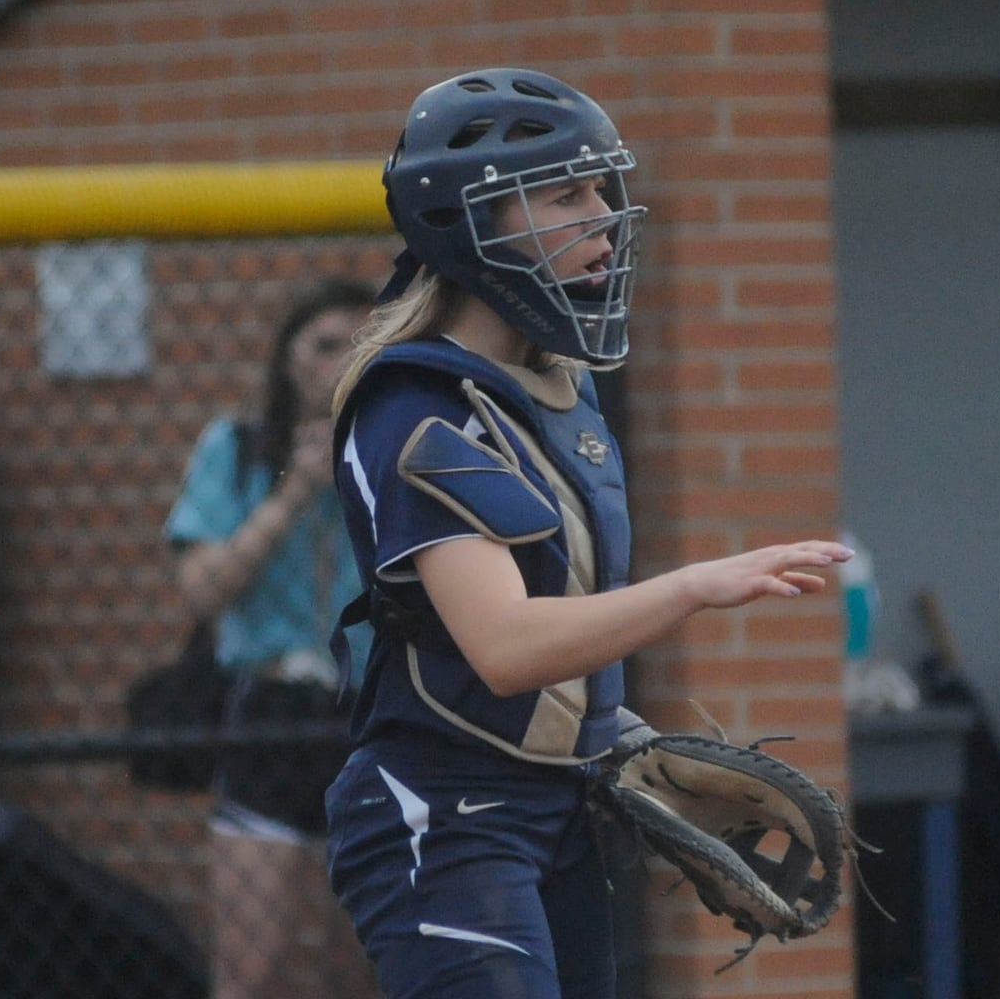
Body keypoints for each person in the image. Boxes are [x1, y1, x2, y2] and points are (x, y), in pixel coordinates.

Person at [324, 67, 854, 999]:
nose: (604, 215)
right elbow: (502, 648)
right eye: (566, 193)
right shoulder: (420, 408)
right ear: (470, 220)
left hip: (554, 806)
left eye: (602, 187)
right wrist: (694, 587)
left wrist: (611, 731)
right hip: (444, 814)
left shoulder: (558, 390)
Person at [165, 278, 381, 999]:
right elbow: (202, 590)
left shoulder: (394, 451)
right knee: (252, 971)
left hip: (370, 709)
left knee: (363, 962)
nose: (340, 362)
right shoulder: (237, 448)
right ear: (288, 359)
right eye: (323, 345)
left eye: (359, 344)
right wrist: (293, 493)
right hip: (272, 707)